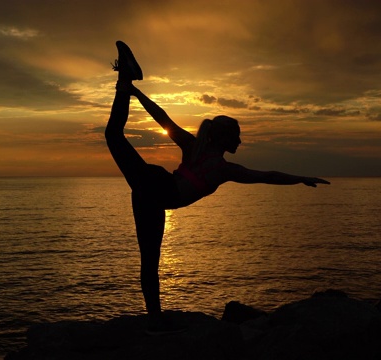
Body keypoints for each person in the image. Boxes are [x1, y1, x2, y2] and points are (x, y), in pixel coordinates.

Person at [105, 41, 330, 334]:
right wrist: (135, 93)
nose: (240, 141)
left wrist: (299, 178)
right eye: (237, 136)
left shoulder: (202, 153)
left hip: (154, 195)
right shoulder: (218, 165)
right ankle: (126, 78)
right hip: (157, 188)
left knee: (149, 260)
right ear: (224, 138)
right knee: (113, 136)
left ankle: (155, 320)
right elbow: (163, 119)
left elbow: (266, 175)